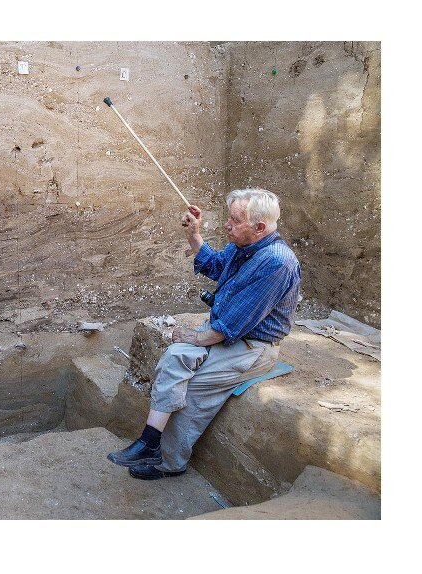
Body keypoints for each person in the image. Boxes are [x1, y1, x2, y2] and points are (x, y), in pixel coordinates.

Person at [107, 188, 300, 480]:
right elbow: (215, 265)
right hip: (224, 332)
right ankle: (148, 441)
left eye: (235, 220)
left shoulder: (276, 262)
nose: (227, 225)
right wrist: (194, 235)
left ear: (259, 227)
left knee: (193, 387)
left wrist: (192, 336)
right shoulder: (243, 245)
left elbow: (232, 326)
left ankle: (170, 462)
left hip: (253, 346)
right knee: (174, 356)